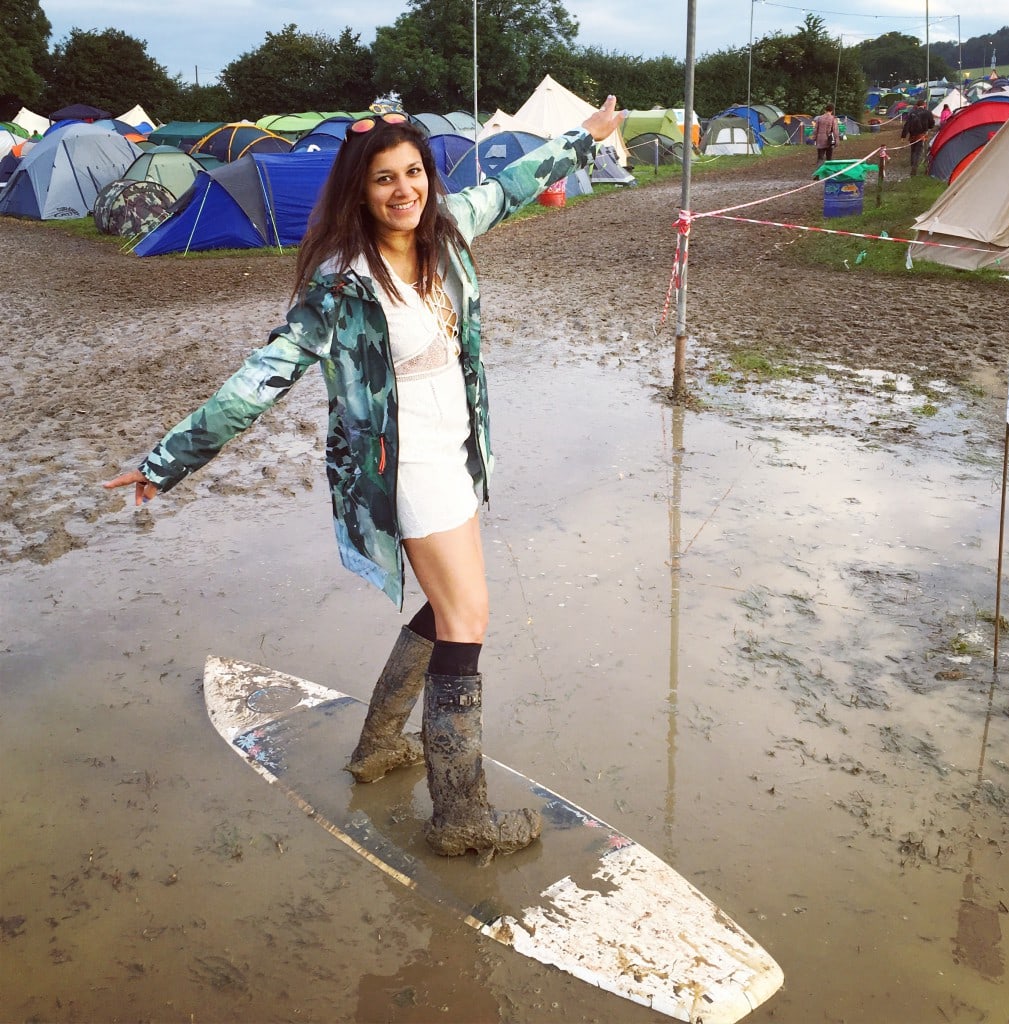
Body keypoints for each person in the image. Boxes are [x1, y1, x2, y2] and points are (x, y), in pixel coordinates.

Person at [104, 97, 626, 860]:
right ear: (359, 190)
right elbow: (260, 379)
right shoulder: (343, 283)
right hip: (403, 467)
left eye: (413, 172)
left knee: (455, 608)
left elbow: (512, 183)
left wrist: (585, 138)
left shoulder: (446, 236)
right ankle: (460, 817)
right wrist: (165, 462)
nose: (403, 189)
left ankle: (382, 742)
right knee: (467, 621)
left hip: (457, 450)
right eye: (384, 179)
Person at [901, 98, 935, 176]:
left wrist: (903, 135)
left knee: (913, 150)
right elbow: (932, 123)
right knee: (918, 151)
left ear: (916, 105)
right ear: (924, 105)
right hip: (922, 134)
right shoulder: (928, 112)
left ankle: (912, 164)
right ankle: (915, 166)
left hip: (912, 134)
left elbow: (907, 124)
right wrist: (929, 127)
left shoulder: (912, 113)